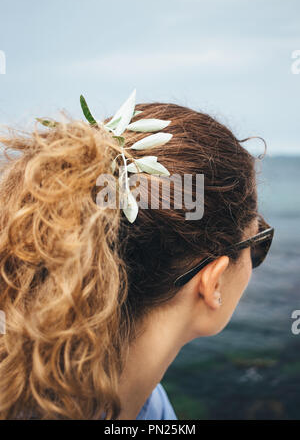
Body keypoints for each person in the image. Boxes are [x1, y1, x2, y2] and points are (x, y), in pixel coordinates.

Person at [0, 98, 274, 420]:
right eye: (258, 242)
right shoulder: (144, 405)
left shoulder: (149, 407)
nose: (255, 258)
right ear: (211, 282)